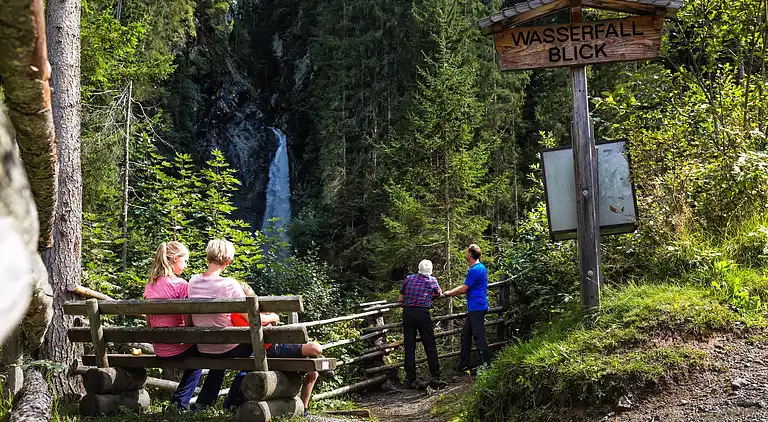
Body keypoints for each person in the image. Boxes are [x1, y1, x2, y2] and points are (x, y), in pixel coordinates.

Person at [229, 282, 323, 415]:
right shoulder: (243, 312)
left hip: (266, 350)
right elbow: (258, 320)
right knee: (315, 349)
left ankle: (304, 410)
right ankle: (305, 410)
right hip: (272, 349)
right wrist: (273, 317)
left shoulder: (232, 313)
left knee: (313, 371)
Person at [188, 239, 255, 411]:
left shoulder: (193, 281)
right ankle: (236, 401)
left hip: (204, 347)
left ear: (207, 257)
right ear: (228, 261)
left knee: (220, 359)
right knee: (258, 349)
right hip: (226, 346)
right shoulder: (230, 284)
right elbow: (250, 318)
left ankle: (203, 403)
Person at [143, 241, 201, 410]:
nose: (186, 265)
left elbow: (149, 322)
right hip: (177, 348)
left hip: (159, 348)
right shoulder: (181, 285)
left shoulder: (150, 285)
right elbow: (189, 323)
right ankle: (179, 404)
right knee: (202, 356)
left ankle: (178, 403)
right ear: (175, 259)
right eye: (185, 261)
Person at [398, 259, 446, 389]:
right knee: (429, 344)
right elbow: (438, 293)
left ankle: (410, 376)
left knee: (409, 345)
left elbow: (400, 298)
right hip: (422, 313)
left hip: (408, 313)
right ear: (430, 271)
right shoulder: (431, 281)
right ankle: (435, 374)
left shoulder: (409, 279)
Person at [443, 244, 492, 372]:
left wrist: (448, 292)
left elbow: (464, 288)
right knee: (466, 334)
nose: (466, 255)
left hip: (477, 307)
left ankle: (485, 364)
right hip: (475, 307)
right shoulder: (480, 267)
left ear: (470, 254)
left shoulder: (475, 269)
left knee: (479, 336)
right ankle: (464, 362)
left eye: (467, 252)